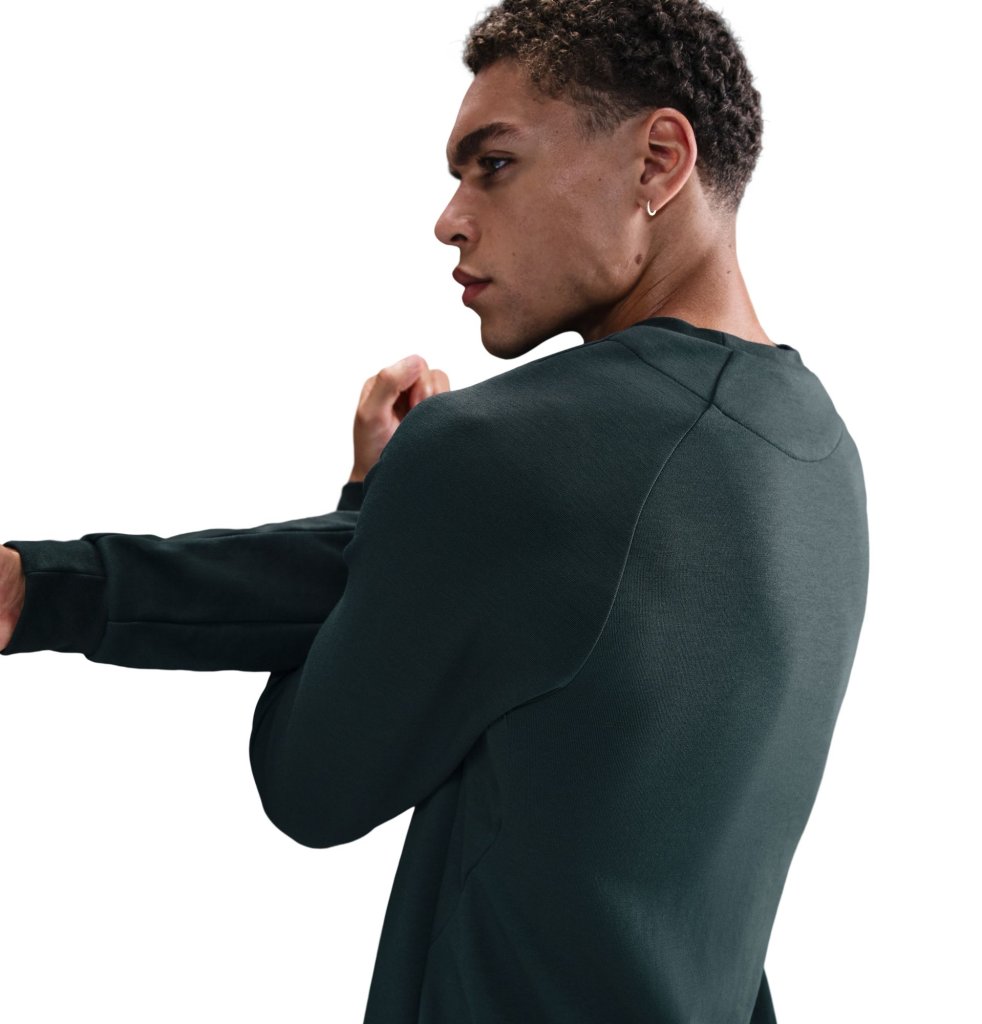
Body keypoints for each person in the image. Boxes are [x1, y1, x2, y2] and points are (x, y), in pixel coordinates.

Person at [0, 1, 870, 1021]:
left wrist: (372, 493)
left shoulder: (498, 447)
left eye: (492, 164)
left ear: (657, 161)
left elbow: (313, 785)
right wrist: (43, 588)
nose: (449, 218)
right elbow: (480, 571)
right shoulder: (819, 454)